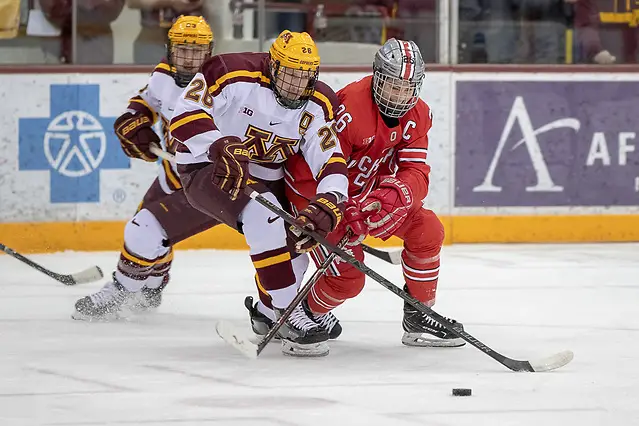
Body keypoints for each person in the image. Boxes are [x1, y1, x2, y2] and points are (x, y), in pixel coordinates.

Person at [248, 38, 465, 348]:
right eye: (392, 86)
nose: (400, 95)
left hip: (367, 199)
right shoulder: (348, 108)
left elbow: (416, 172)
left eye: (407, 88)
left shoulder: (419, 115)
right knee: (348, 278)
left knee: (428, 229)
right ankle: (295, 316)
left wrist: (394, 195)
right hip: (318, 198)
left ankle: (419, 314)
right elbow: (314, 168)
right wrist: (337, 208)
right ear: (377, 77)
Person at [169, 30, 349, 357]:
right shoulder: (228, 72)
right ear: (273, 66)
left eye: (305, 76)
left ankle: (268, 315)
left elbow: (330, 158)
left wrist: (330, 198)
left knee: (296, 241)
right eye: (291, 74)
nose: (297, 85)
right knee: (264, 213)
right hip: (207, 167)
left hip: (266, 176)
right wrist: (217, 144)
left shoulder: (320, 103)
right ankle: (289, 311)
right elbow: (182, 116)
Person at [73, 16, 218, 320]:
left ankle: (121, 290)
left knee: (145, 229)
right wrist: (133, 118)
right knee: (148, 231)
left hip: (210, 182)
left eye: (197, 51)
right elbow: (147, 100)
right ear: (169, 49)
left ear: (210, 53)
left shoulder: (222, 85)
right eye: (182, 50)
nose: (190, 58)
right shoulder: (163, 74)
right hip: (172, 175)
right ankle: (152, 285)